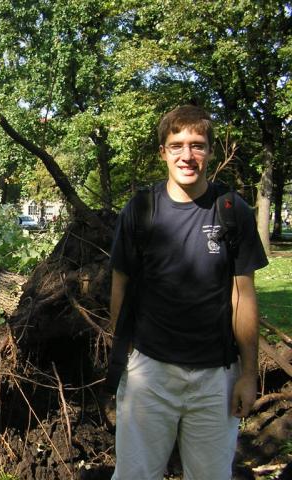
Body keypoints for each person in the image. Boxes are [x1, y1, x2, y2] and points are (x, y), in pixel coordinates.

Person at [109, 105, 268, 480]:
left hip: (216, 378)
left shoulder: (232, 211)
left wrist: (248, 374)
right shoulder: (140, 210)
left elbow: (242, 296)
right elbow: (120, 284)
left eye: (197, 145)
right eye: (176, 144)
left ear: (210, 151)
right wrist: (126, 358)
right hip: (150, 372)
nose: (187, 155)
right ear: (162, 152)